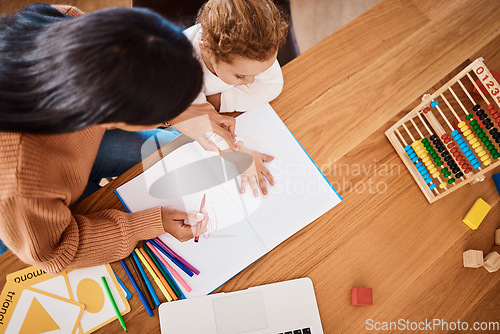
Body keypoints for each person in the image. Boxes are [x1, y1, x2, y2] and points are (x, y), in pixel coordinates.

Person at [0, 4, 235, 273]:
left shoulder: (73, 25)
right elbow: (56, 251)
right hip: (24, 211)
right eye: (164, 110)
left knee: (164, 155)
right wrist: (147, 224)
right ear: (115, 117)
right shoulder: (20, 187)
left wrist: (181, 112)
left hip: (68, 149)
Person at [184, 0, 289, 197]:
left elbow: (273, 86)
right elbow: (202, 124)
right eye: (240, 77)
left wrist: (216, 102)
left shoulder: (253, 55)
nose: (251, 81)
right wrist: (238, 150)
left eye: (259, 72)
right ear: (207, 50)